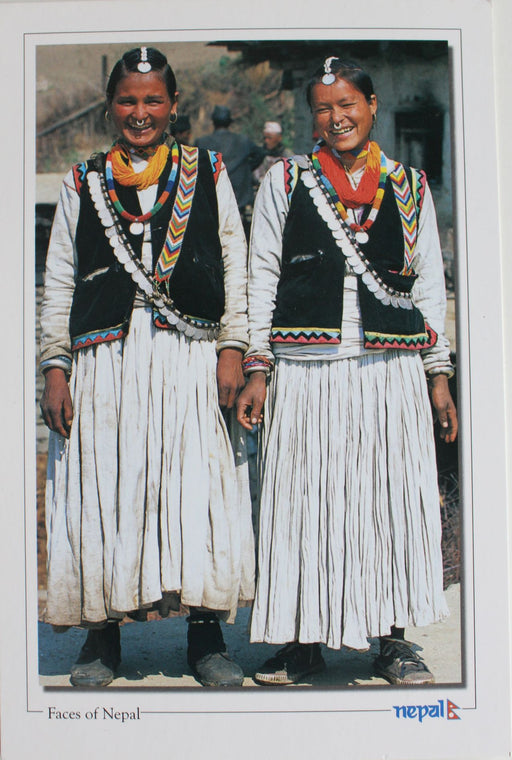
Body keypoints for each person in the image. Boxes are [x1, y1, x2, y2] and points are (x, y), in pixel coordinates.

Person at [237, 56, 458, 686]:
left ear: (372, 107)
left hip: (389, 366)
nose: (337, 118)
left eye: (348, 105)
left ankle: (392, 640)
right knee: (303, 504)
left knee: (386, 502)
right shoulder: (285, 181)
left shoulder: (409, 186)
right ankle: (303, 640)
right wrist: (259, 365)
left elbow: (429, 287)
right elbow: (261, 276)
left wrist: (437, 375)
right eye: (324, 109)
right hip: (305, 367)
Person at [40, 46, 254, 688]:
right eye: (128, 100)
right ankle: (102, 636)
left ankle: (204, 634)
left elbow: (235, 264)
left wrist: (232, 349)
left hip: (188, 355)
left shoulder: (208, 172)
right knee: (107, 486)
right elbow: (58, 281)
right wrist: (55, 366)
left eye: (152, 99)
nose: (140, 112)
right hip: (105, 360)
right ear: (111, 106)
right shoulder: (82, 182)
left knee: (193, 488)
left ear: (174, 106)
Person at [196, 106, 264, 236]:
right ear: (230, 122)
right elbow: (259, 154)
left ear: (213, 122)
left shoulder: (202, 142)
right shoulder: (243, 141)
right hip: (239, 202)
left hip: (211, 204)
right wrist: (246, 169)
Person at [253, 120, 293, 185]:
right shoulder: (259, 153)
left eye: (269, 138)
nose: (266, 141)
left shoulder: (288, 155)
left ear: (279, 138)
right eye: (265, 138)